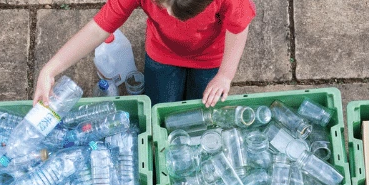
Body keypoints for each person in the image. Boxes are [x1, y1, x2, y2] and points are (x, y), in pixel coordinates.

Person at [33, 0, 256, 107]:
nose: (169, 15)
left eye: (182, 13)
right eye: (163, 6)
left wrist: (225, 75)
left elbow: (238, 28)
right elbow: (98, 28)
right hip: (163, 52)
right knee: (160, 107)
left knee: (199, 108)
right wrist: (49, 69)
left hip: (210, 56)